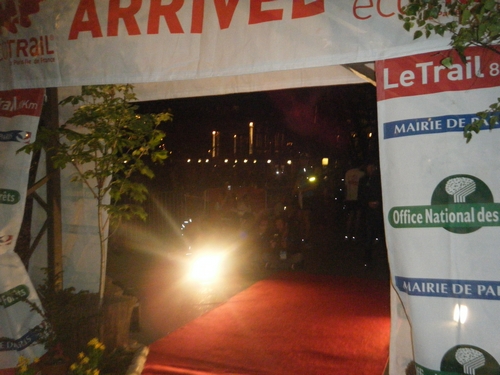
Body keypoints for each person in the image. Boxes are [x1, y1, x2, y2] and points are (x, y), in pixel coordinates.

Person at [358, 163, 383, 267]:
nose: (371, 169)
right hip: (368, 212)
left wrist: (379, 203)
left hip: (379, 211)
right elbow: (361, 195)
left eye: (372, 167)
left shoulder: (379, 179)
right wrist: (367, 203)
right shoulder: (363, 180)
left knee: (381, 234)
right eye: (369, 167)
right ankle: (367, 258)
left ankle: (382, 258)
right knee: (369, 235)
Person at [343, 163, 365, 241]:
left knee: (350, 216)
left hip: (350, 197)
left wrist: (345, 197)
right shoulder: (362, 174)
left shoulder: (348, 173)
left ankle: (347, 233)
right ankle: (355, 235)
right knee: (357, 217)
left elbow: (345, 186)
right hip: (358, 198)